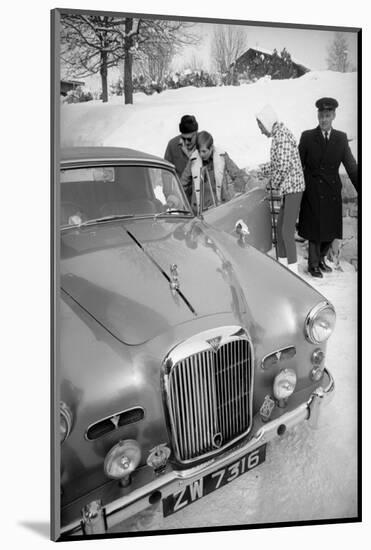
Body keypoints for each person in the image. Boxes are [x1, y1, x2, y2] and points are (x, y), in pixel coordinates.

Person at [297, 97, 358, 278]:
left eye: (328, 115)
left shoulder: (341, 138)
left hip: (331, 190)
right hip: (313, 190)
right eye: (321, 115)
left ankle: (321, 259)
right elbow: (297, 164)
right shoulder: (307, 137)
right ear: (317, 115)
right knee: (315, 229)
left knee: (330, 229)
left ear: (334, 116)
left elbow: (351, 166)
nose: (324, 119)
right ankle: (313, 264)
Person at [255, 104, 305, 274]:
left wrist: (271, 184)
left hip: (293, 188)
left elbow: (282, 168)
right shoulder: (278, 135)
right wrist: (260, 169)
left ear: (268, 122)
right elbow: (278, 163)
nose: (261, 131)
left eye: (261, 126)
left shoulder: (281, 136)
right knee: (280, 228)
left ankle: (293, 272)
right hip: (289, 189)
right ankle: (284, 268)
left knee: (286, 231)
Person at [180, 131, 247, 214]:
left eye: (204, 151)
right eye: (199, 151)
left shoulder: (222, 156)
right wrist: (176, 198)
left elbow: (238, 175)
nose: (201, 154)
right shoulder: (193, 160)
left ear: (211, 148)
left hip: (221, 208)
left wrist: (238, 192)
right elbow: (183, 183)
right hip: (200, 212)